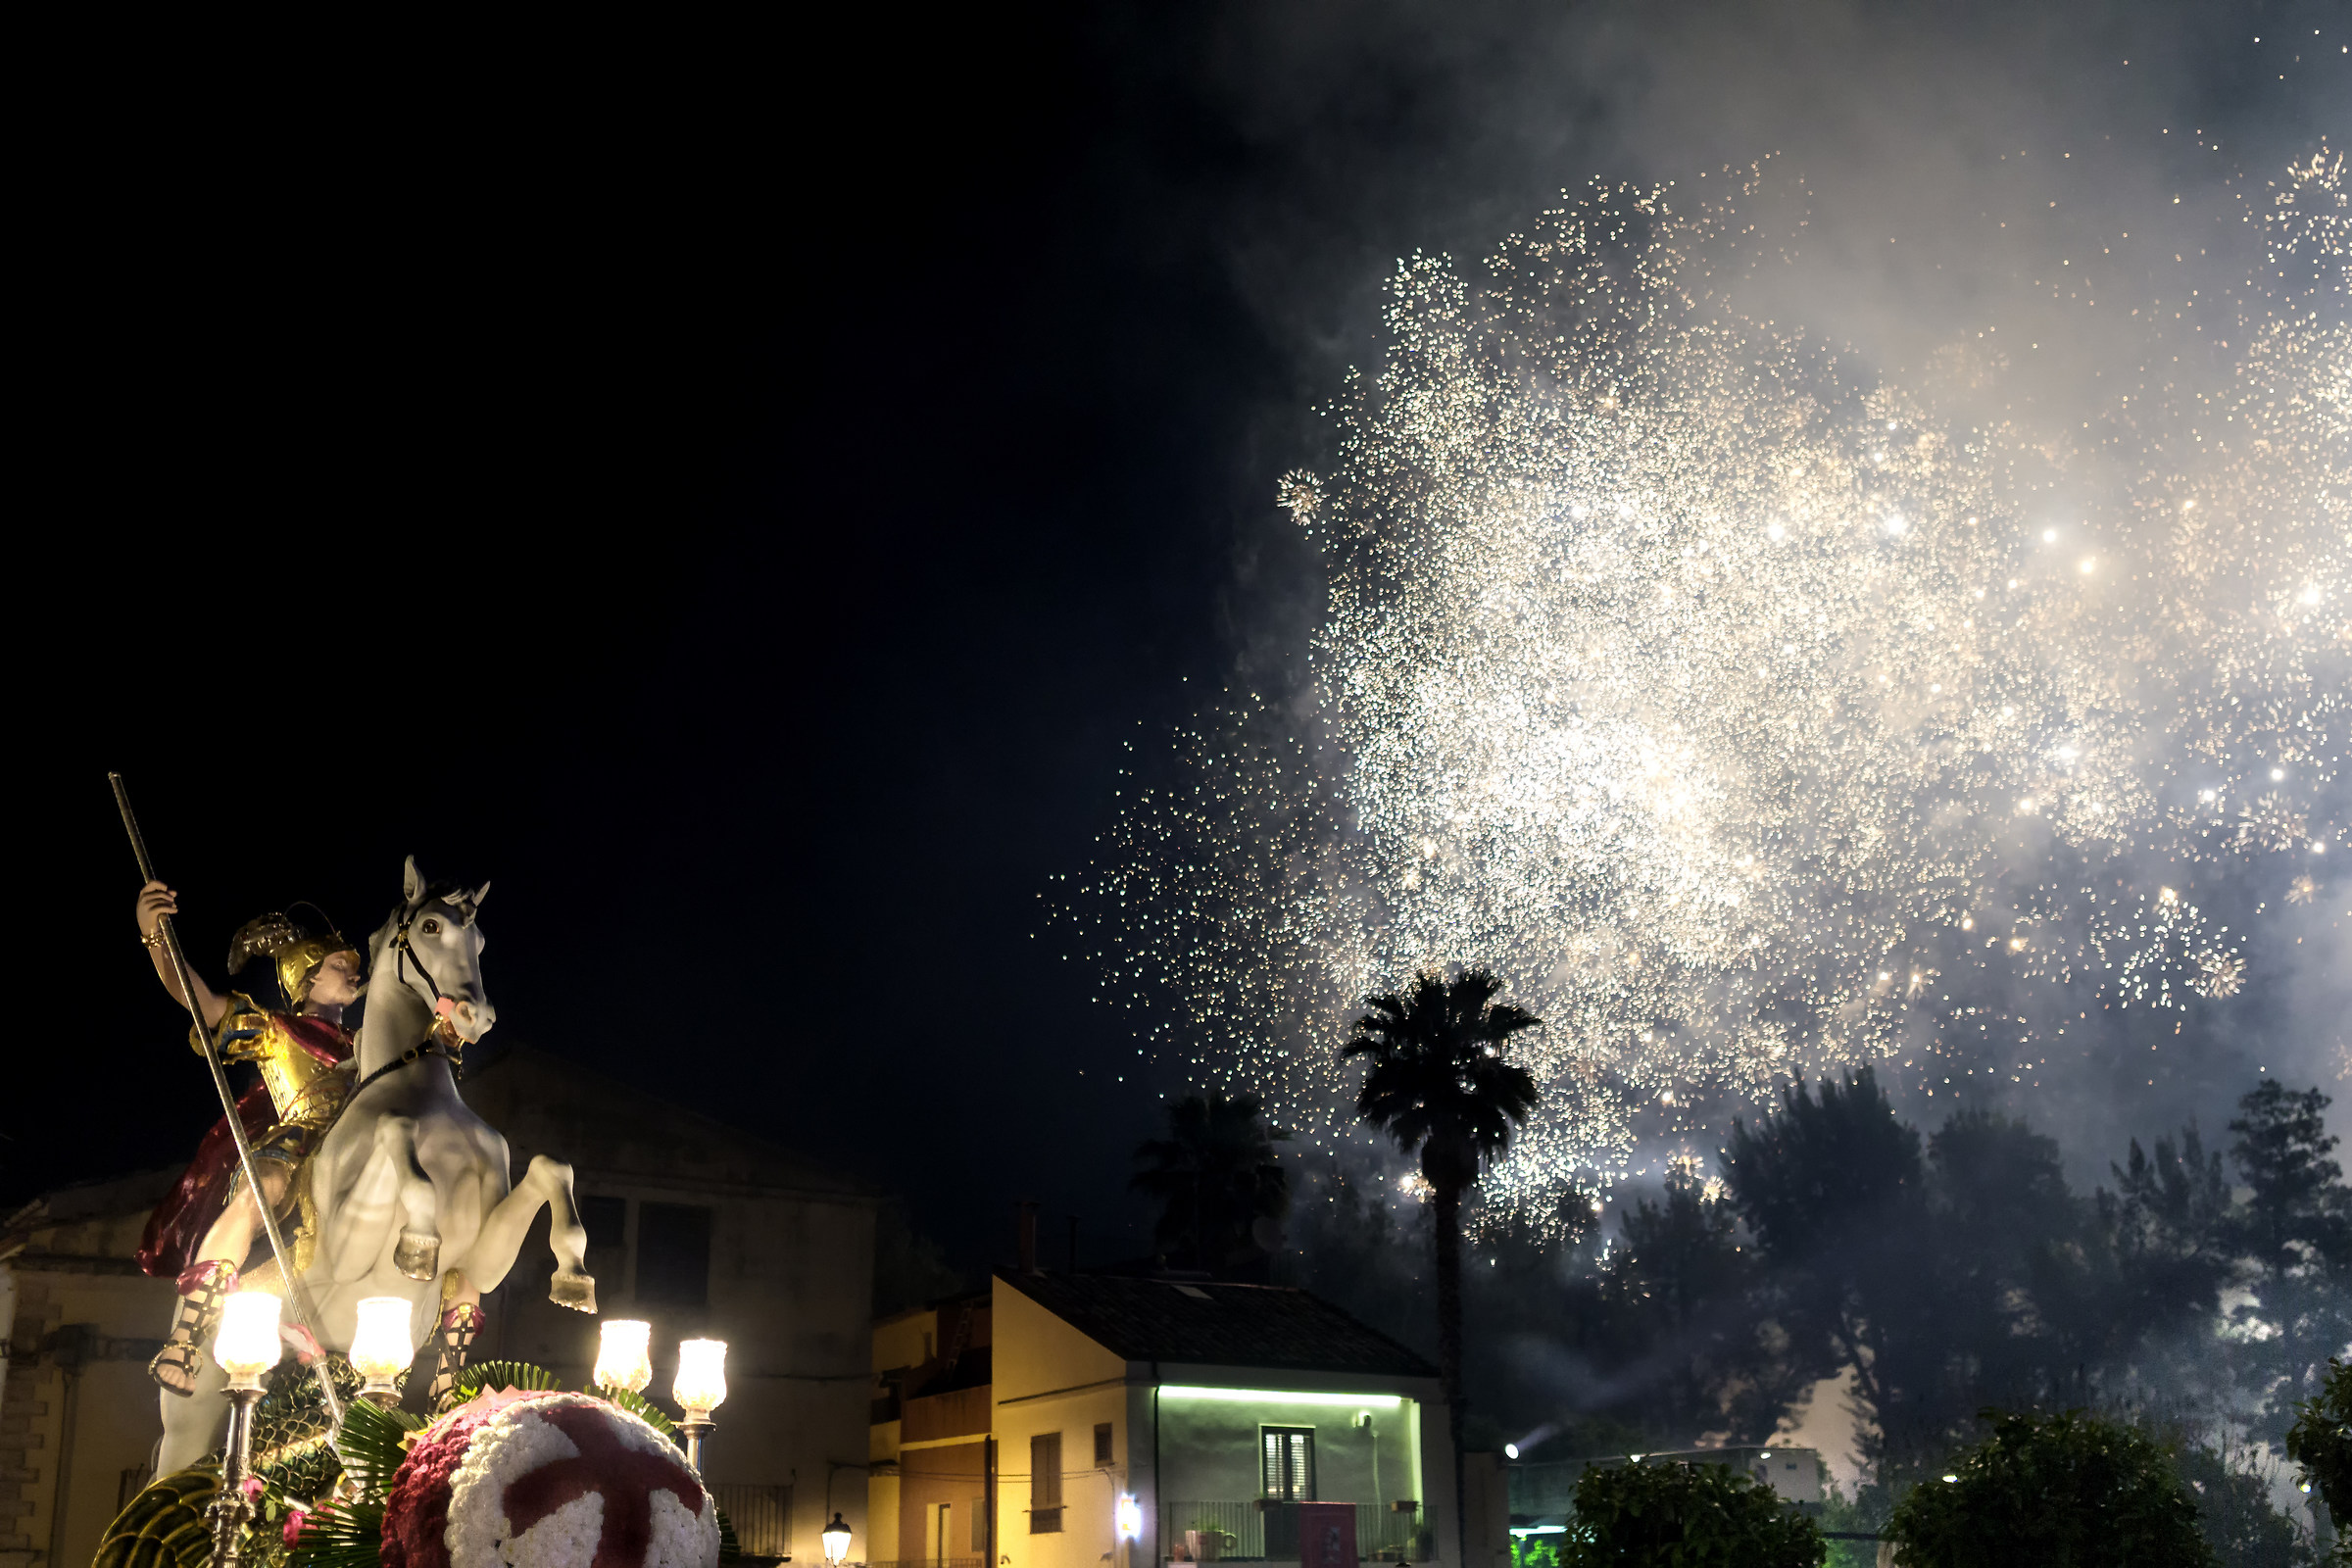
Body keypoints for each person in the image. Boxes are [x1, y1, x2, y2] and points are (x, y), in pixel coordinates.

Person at [134, 881, 364, 1395]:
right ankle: (187, 1333)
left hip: (356, 1145)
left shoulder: (370, 1046)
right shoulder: (276, 1028)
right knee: (265, 1188)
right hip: (295, 1139)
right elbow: (202, 1004)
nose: (351, 970)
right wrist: (156, 938)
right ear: (305, 979)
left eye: (350, 964)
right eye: (335, 964)